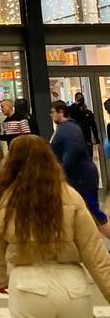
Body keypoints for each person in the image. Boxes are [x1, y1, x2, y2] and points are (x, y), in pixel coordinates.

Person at [0, 134, 110, 318]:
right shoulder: (71, 196)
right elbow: (94, 251)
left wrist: (0, 280)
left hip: (27, 284)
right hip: (73, 285)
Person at [50, 100, 110, 238]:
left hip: (81, 178)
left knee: (93, 212)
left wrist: (62, 171)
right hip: (78, 177)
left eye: (53, 112)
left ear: (61, 112)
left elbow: (72, 152)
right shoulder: (66, 128)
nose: (51, 115)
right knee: (85, 213)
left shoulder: (68, 129)